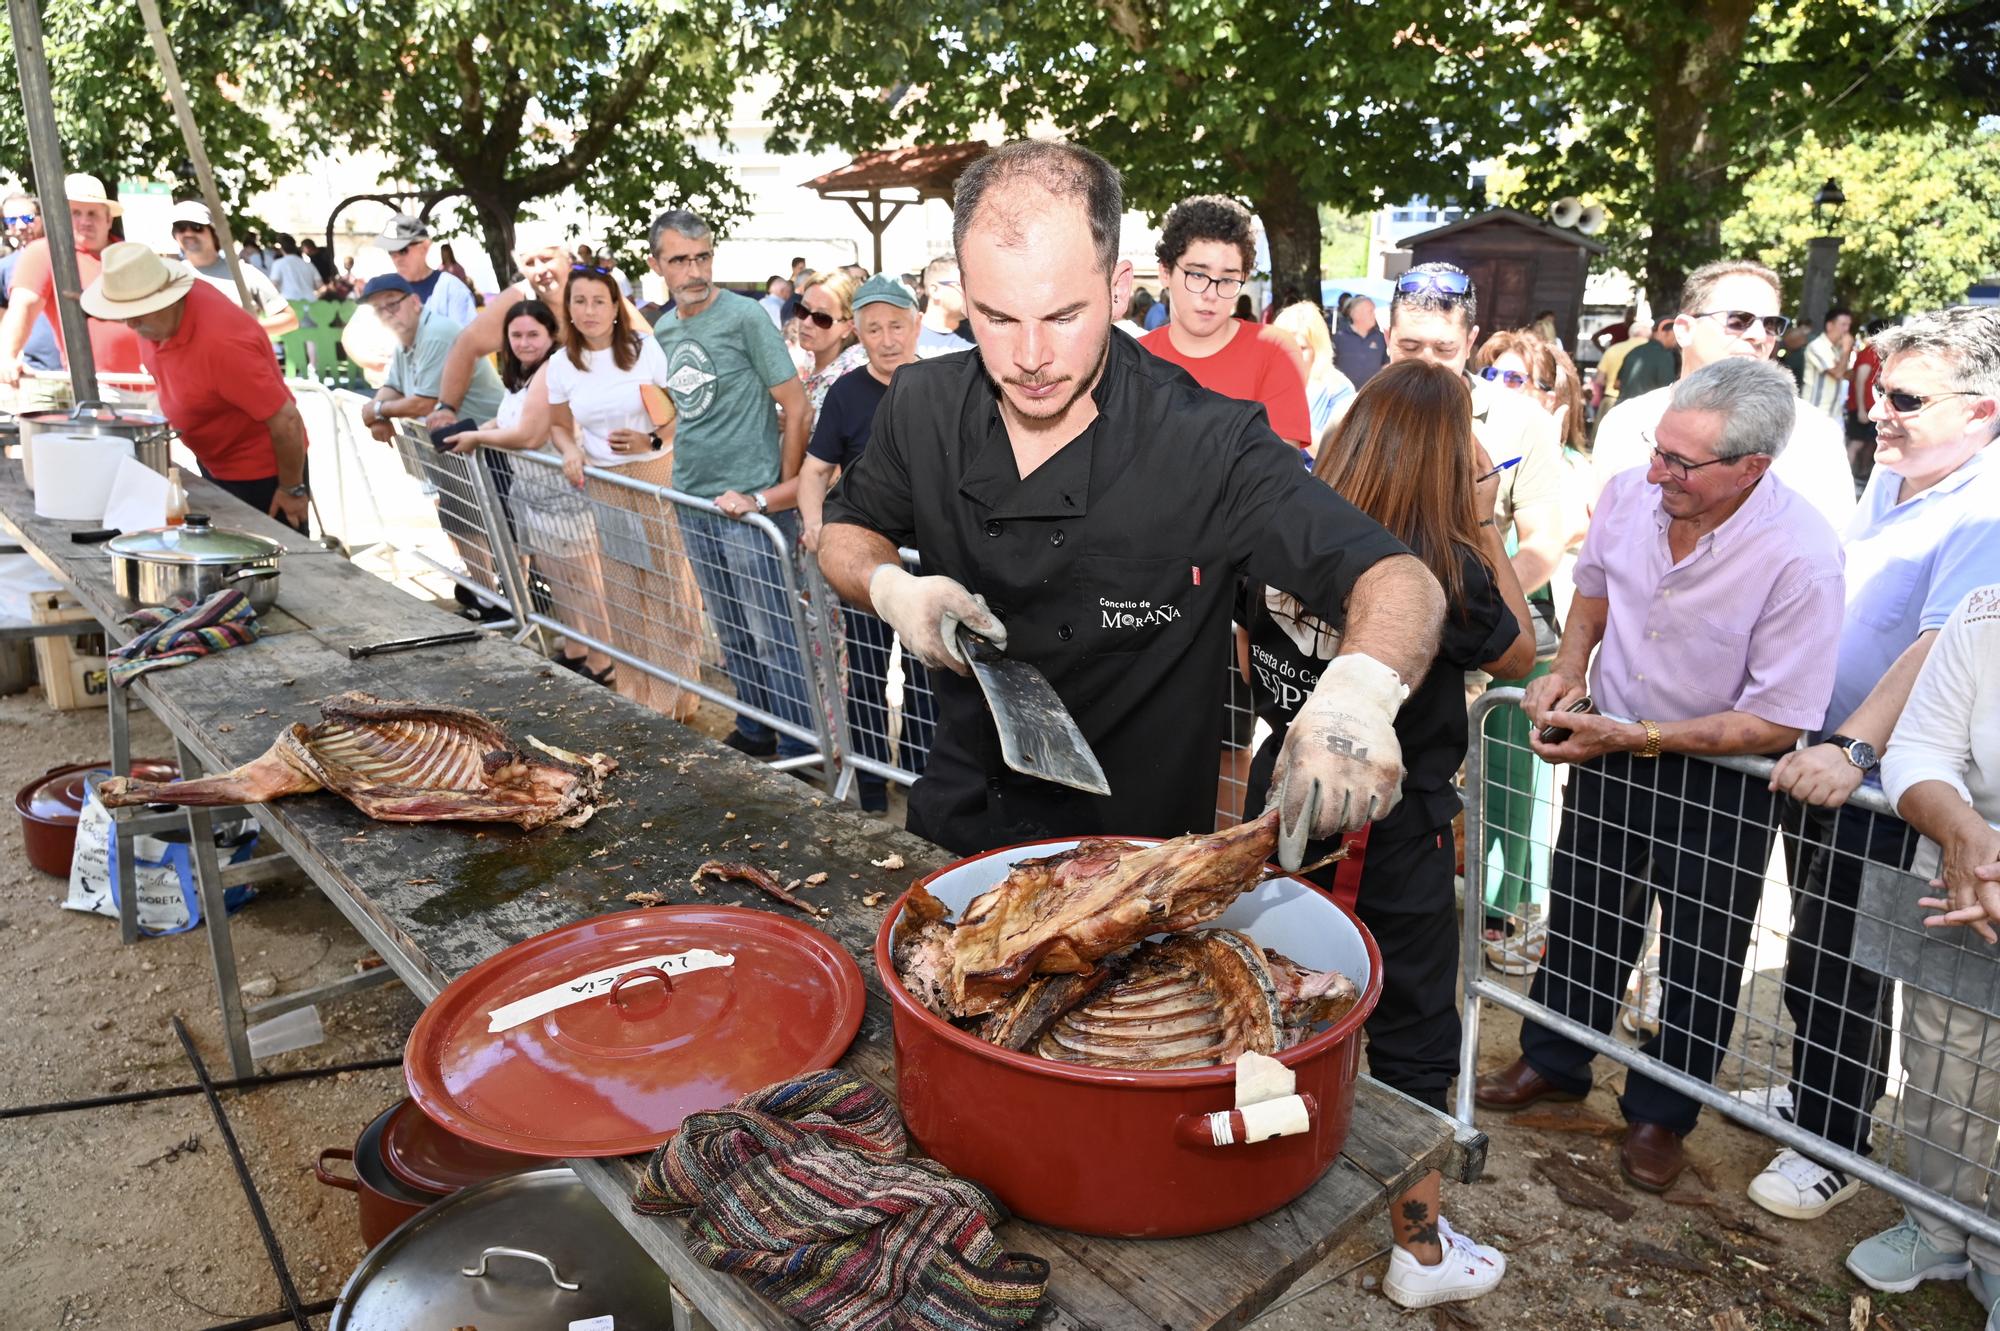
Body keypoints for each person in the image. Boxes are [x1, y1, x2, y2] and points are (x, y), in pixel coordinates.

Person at [815, 138, 1444, 861]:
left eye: (1060, 318)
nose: (1028, 357)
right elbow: (846, 528)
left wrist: (1358, 697)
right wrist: (893, 588)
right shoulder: (922, 406)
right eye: (996, 318)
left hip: (1136, 865)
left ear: (1118, 289)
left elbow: (1398, 579)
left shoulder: (1209, 440)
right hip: (959, 827)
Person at [1475, 358, 1846, 1195]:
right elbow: (1594, 592)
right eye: (1659, 449)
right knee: (1584, 909)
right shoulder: (1631, 494)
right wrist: (1569, 667)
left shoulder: (1802, 555)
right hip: (1612, 746)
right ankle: (1556, 1060)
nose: (1655, 472)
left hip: (1721, 777)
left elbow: (1780, 717)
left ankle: (1661, 1113)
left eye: (1682, 463)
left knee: (1702, 950)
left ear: (1753, 467)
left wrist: (1638, 732)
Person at [1240, 359, 1533, 1309]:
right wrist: (1483, 512)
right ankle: (1419, 1246)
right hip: (1389, 831)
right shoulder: (1443, 573)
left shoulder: (1284, 537)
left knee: (1268, 995)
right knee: (1409, 1035)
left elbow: (1250, 653)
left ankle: (1258, 1176)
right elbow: (1527, 649)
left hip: (1276, 792)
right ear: (1453, 463)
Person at [1753, 304, 2000, 1222]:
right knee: (1818, 946)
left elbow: (1940, 644)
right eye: (1875, 390)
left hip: (1875, 775)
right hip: (1825, 752)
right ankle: (1820, 1100)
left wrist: (1857, 746)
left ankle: (1837, 1138)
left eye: (1903, 396)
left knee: (1847, 953)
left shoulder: (1985, 500)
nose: (1877, 412)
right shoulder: (1901, 475)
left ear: (1982, 410)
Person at [1369, 265, 1567, 965]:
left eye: (1442, 352)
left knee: (1510, 801)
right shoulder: (1359, 410)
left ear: (1471, 341)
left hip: (1485, 641)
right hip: (1388, 664)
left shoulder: (1521, 423)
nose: (1423, 365)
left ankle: (1509, 913)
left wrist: (1483, 611)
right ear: (1385, 337)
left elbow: (1547, 535)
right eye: (1407, 348)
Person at [1842, 583, 2000, 1314]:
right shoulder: (1984, 611)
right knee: (1942, 1057)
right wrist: (1966, 835)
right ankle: (1936, 1224)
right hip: (1958, 865)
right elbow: (1919, 750)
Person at [649, 209, 819, 761]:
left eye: (702, 257)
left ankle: (800, 747)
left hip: (748, 507)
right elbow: (681, 408)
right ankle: (755, 729)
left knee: (775, 634)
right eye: (680, 259)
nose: (694, 270)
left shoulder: (745, 316)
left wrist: (780, 490)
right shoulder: (664, 328)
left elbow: (796, 407)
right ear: (657, 266)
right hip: (693, 499)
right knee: (731, 632)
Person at [543, 264, 709, 717]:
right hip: (606, 482)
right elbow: (558, 426)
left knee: (668, 583)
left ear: (617, 307)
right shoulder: (561, 365)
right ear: (569, 309)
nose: (590, 310)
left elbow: (680, 416)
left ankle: (677, 697)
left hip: (655, 472)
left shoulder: (645, 350)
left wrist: (649, 441)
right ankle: (636, 692)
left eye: (600, 300)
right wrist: (569, 450)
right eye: (580, 301)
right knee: (622, 585)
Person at [797, 275, 936, 813]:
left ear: (916, 324)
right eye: (873, 328)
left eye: (896, 325)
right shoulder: (847, 392)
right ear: (857, 332)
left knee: (930, 678)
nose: (886, 338)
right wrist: (817, 527)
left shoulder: (942, 383)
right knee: (870, 671)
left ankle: (926, 786)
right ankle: (873, 788)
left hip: (931, 560)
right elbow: (814, 471)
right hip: (866, 558)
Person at [1592, 259, 1857, 536]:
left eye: (1771, 324)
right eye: (1738, 320)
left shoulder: (1814, 434)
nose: (1757, 336)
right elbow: (1599, 543)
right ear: (1684, 329)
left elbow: (1834, 549)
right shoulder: (1626, 424)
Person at [78, 242, 312, 532]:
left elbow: (286, 420)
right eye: (125, 311)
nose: (131, 322)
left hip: (261, 474)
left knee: (278, 565)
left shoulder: (223, 344)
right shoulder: (156, 316)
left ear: (169, 299)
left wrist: (292, 488)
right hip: (215, 458)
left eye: (140, 311)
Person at [441, 298, 616, 683]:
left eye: (533, 334)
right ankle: (576, 645)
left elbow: (530, 434)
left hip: (565, 493)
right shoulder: (521, 373)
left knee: (584, 580)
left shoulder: (552, 368)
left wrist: (475, 436)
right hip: (533, 492)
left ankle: (603, 659)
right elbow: (513, 419)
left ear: (551, 335)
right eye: (516, 335)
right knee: (558, 579)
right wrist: (484, 427)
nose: (524, 342)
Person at [1140, 195, 1312, 450]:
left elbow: (1275, 476)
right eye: (1198, 275)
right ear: (1165, 272)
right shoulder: (1132, 358)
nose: (1211, 294)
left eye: (1228, 279)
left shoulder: (1274, 350)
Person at [428, 242, 650, 433]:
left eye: (546, 258)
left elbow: (647, 342)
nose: (540, 269)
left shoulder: (597, 290)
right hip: (547, 444)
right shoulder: (518, 298)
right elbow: (466, 343)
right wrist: (447, 407)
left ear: (567, 260)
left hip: (611, 430)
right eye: (530, 263)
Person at [0, 173, 146, 386]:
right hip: (97, 387)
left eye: (92, 213)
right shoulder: (46, 253)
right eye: (75, 213)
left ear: (108, 219)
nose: (84, 221)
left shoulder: (132, 255)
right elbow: (23, 306)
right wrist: (7, 357)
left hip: (153, 380)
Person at [169, 202, 299, 338]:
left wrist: (241, 329)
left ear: (213, 232)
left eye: (197, 227)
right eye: (181, 228)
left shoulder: (245, 273)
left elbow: (289, 320)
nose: (188, 233)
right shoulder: (170, 278)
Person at [1271, 301, 1356, 446]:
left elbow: (1336, 451)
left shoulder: (1338, 388)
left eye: (1301, 348)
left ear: (1318, 348)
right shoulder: (1267, 382)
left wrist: (1291, 422)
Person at [372, 214, 477, 328]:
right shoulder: (382, 293)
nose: (396, 258)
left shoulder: (451, 289)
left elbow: (468, 340)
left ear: (425, 246)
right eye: (390, 251)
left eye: (402, 250)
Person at [0, 193, 61, 374]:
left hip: (79, 367)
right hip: (34, 372)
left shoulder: (65, 259)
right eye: (11, 220)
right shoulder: (4, 267)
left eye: (27, 218)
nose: (20, 226)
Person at [796, 270, 869, 418]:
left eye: (821, 317)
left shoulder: (855, 378)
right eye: (803, 310)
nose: (807, 322)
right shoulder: (807, 359)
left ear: (848, 327)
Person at [914, 255, 974, 357]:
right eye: (961, 285)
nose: (969, 292)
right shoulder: (909, 336)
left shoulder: (978, 337)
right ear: (935, 290)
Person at [1804, 306, 1855, 420]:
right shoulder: (1817, 346)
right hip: (1815, 412)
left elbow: (1848, 375)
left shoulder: (1838, 349)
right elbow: (1838, 374)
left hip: (1834, 413)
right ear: (1829, 326)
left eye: (1848, 325)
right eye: (1843, 325)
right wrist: (1847, 349)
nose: (1847, 329)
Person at [1615, 315, 1678, 399]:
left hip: (1623, 406)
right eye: (1675, 333)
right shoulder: (1664, 355)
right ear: (1665, 332)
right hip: (1646, 409)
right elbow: (1667, 389)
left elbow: (1617, 384)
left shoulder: (1634, 351)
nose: (1677, 339)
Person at [1332, 294, 1388, 387]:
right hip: (1345, 398)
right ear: (1356, 315)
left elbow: (1385, 364)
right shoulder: (1339, 338)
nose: (1374, 315)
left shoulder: (1380, 337)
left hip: (1373, 395)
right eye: (1370, 311)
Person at [268, 235, 320, 303]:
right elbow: (320, 286)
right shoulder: (308, 264)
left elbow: (273, 286)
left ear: (281, 248)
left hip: (289, 304)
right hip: (310, 303)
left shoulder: (278, 264)